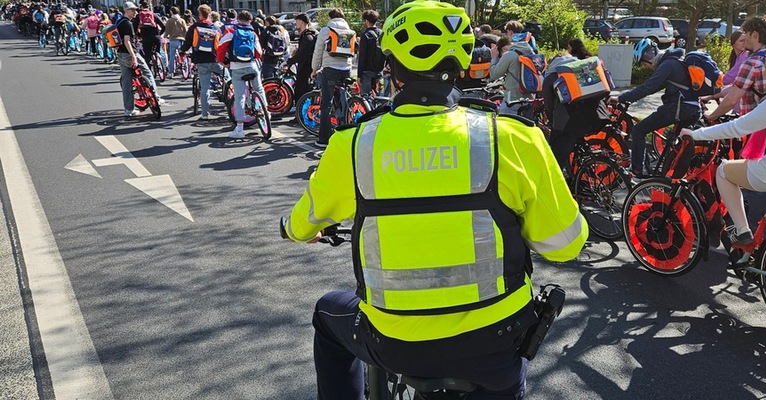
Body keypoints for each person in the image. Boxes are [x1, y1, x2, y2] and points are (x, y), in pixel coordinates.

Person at [280, 1, 587, 399]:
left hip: (394, 341)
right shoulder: (512, 138)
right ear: (462, 65)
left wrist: (291, 229)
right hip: (495, 346)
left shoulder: (353, 145)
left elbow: (302, 224)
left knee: (328, 315)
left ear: (391, 68)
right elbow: (566, 245)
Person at [679, 45, 766, 246]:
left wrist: (696, 134)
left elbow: (737, 128)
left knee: (724, 171)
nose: (765, 73)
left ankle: (743, 231)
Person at [608, 38, 702, 178]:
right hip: (692, 108)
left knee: (639, 129)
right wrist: (630, 97)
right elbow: (652, 88)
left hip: (680, 107)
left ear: (647, 58)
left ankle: (636, 171)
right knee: (676, 143)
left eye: (643, 64)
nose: (646, 68)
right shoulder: (674, 62)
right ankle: (669, 174)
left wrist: (620, 98)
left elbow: (648, 87)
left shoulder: (667, 65)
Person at [543, 53, 610, 171]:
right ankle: (581, 176)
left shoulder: (551, 77)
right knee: (579, 141)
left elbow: (548, 107)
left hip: (570, 122)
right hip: (598, 116)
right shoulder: (584, 70)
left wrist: (553, 124)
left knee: (555, 160)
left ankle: (559, 183)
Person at [705, 17, 766, 122]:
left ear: (754, 35)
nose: (744, 39)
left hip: (756, 125)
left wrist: (711, 116)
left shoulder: (752, 63)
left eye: (746, 34)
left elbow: (731, 100)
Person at [216, 10, 268, 138]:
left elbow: (221, 47)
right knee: (259, 89)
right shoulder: (253, 33)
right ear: (250, 21)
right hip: (252, 66)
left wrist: (223, 62)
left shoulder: (231, 31)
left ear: (238, 19)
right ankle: (265, 113)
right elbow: (259, 53)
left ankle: (239, 129)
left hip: (236, 67)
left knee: (239, 96)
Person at [311, 8, 355, 148]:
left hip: (330, 69)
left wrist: (314, 68)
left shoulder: (326, 30)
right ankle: (347, 133)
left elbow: (318, 51)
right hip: (346, 69)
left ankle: (324, 139)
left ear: (331, 17)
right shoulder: (350, 30)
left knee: (326, 104)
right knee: (344, 102)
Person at [115, 1, 162, 117]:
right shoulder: (127, 24)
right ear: (126, 11)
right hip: (129, 54)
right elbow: (127, 41)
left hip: (120, 54)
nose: (135, 12)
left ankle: (128, 110)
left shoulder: (119, 22)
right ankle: (156, 96)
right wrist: (133, 56)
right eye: (133, 10)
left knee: (126, 82)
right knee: (147, 72)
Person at [180, 4, 223, 120]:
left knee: (204, 88)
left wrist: (182, 51)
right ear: (209, 14)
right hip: (215, 60)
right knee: (228, 79)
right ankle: (230, 99)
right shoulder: (215, 28)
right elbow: (221, 44)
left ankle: (205, 114)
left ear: (199, 14)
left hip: (201, 61)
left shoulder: (194, 27)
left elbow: (187, 43)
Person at [489, 20, 536, 114]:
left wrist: (494, 58)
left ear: (509, 32)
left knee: (504, 125)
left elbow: (494, 75)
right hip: (530, 99)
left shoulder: (509, 55)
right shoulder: (531, 53)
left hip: (512, 100)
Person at [701, 31, 748, 114]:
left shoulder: (745, 55)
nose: (744, 43)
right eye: (741, 41)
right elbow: (733, 83)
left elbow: (728, 79)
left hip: (743, 108)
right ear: (733, 44)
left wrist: (711, 84)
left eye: (745, 40)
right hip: (740, 106)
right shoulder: (739, 57)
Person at [286, 13, 316, 114]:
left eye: (297, 21)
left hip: (306, 68)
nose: (296, 24)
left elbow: (302, 54)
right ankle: (301, 115)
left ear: (301, 22)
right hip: (306, 66)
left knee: (301, 92)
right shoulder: (308, 35)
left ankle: (301, 116)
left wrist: (290, 61)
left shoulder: (307, 37)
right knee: (301, 92)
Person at [356, 9, 383, 97]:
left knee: (366, 97)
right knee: (377, 96)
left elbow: (362, 56)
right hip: (379, 70)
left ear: (367, 21)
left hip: (367, 71)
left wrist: (359, 75)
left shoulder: (366, 35)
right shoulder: (381, 33)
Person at [132, 2, 165, 71]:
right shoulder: (153, 15)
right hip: (156, 36)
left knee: (147, 55)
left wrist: (138, 35)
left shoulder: (139, 16)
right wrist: (159, 34)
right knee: (158, 52)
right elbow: (163, 26)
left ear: (141, 7)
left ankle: (149, 70)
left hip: (145, 37)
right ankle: (160, 63)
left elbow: (134, 28)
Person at [163, 6, 187, 79]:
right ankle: (185, 69)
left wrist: (164, 36)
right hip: (181, 39)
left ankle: (171, 72)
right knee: (183, 55)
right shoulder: (182, 20)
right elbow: (185, 29)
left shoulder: (169, 21)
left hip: (173, 39)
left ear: (171, 12)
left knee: (172, 57)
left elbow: (167, 31)